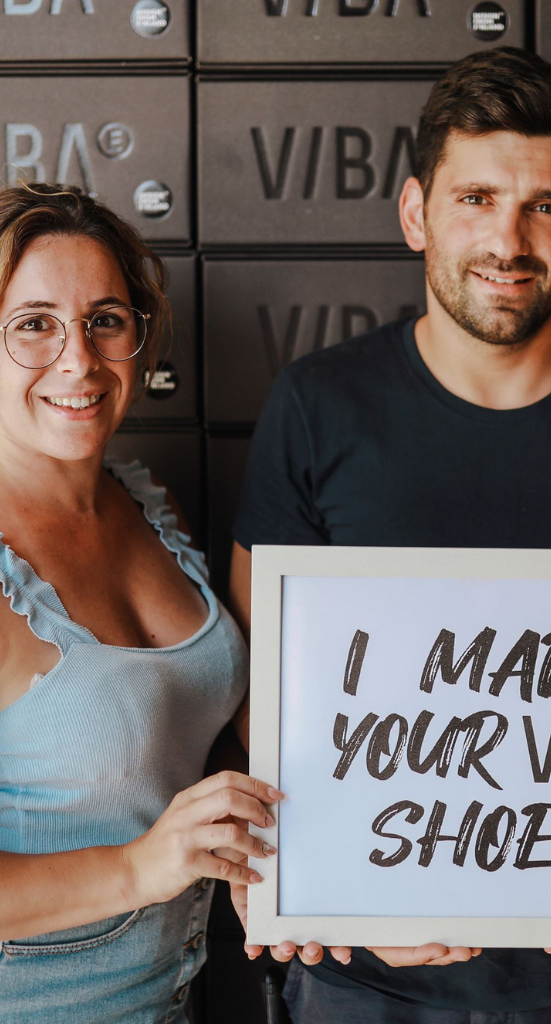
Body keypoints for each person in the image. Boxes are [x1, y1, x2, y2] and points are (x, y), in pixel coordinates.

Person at [229, 46, 551, 1024]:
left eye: (544, 205)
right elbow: (267, 697)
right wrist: (339, 889)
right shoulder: (315, 407)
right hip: (361, 970)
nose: (508, 238)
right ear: (416, 212)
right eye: (476, 199)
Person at [0, 183, 281, 1023]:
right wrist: (139, 868)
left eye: (106, 320)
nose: (79, 360)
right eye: (34, 324)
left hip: (167, 998)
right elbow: (149, 851)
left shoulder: (143, 501)